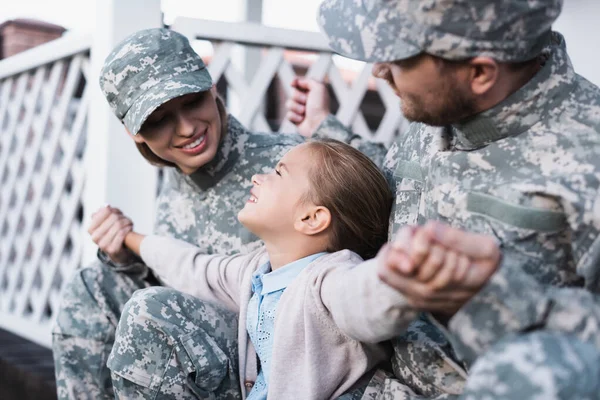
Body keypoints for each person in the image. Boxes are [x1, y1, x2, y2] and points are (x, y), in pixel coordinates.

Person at [286, 0, 600, 398]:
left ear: (480, 72)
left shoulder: (590, 156)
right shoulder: (446, 104)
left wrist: (505, 297)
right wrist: (324, 128)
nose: (381, 70)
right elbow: (399, 180)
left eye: (399, 57)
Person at [51, 28, 305, 399]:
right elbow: (178, 283)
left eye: (192, 101)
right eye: (159, 119)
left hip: (273, 364)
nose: (187, 128)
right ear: (132, 132)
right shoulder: (177, 183)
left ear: (212, 87)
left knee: (150, 311)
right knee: (90, 286)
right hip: (200, 355)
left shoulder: (288, 165)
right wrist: (125, 260)